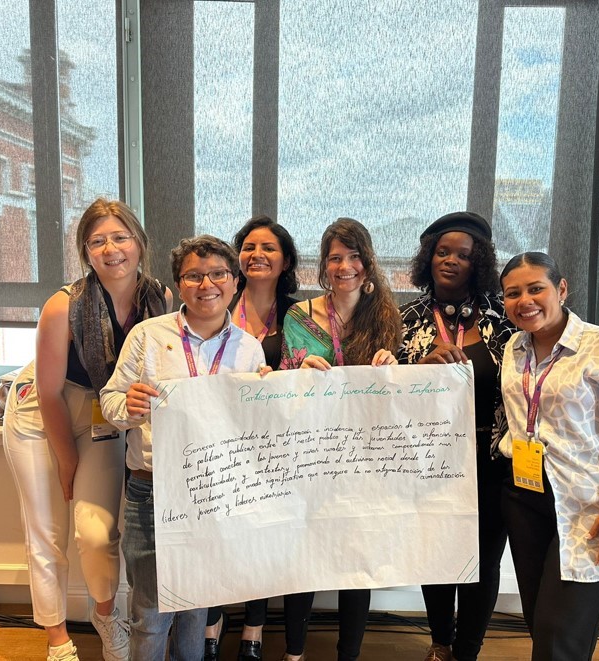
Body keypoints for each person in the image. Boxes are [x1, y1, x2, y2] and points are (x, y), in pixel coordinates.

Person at [3, 198, 172, 661]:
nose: (110, 249)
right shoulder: (64, 306)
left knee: (97, 534)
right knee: (45, 532)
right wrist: (67, 461)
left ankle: (104, 614)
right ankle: (57, 640)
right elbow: (50, 391)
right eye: (97, 241)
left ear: (139, 243)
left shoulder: (160, 299)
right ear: (86, 252)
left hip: (103, 412)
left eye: (120, 237)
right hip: (41, 412)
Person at [100, 235, 268, 661]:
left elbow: (252, 429)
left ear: (234, 283)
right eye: (193, 275)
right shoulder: (147, 336)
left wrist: (266, 399)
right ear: (178, 285)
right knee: (150, 612)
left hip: (213, 495)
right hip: (151, 490)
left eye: (217, 274)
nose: (206, 284)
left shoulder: (249, 349)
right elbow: (110, 401)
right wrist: (130, 406)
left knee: (195, 607)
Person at [497, 251, 599, 661]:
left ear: (561, 289)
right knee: (542, 624)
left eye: (536, 289)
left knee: (557, 634)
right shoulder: (515, 347)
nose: (524, 300)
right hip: (527, 497)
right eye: (513, 294)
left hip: (593, 504)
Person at [278, 217, 402, 661]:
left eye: (353, 256)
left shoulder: (387, 316)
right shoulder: (299, 315)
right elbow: (284, 387)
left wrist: (391, 365)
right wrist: (300, 369)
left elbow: (393, 398)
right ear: (324, 266)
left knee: (357, 561)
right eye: (335, 258)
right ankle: (294, 653)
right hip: (310, 453)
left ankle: (348, 654)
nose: (344, 266)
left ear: (367, 263)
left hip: (365, 459)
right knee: (303, 557)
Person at [396, 212, 515, 661]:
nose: (450, 261)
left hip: (490, 459)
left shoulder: (505, 319)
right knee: (437, 554)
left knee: (483, 563)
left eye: (463, 255)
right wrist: (419, 368)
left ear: (478, 263)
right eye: (442, 252)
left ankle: (468, 650)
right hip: (426, 460)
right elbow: (381, 388)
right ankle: (440, 642)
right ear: (428, 259)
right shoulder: (403, 317)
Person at [204, 216, 300, 661]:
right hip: (219, 441)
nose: (257, 254)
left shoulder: (301, 315)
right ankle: (211, 624)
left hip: (275, 446)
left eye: (269, 248)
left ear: (285, 261)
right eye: (248, 246)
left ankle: (254, 631)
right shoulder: (218, 304)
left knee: (261, 537)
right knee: (220, 536)